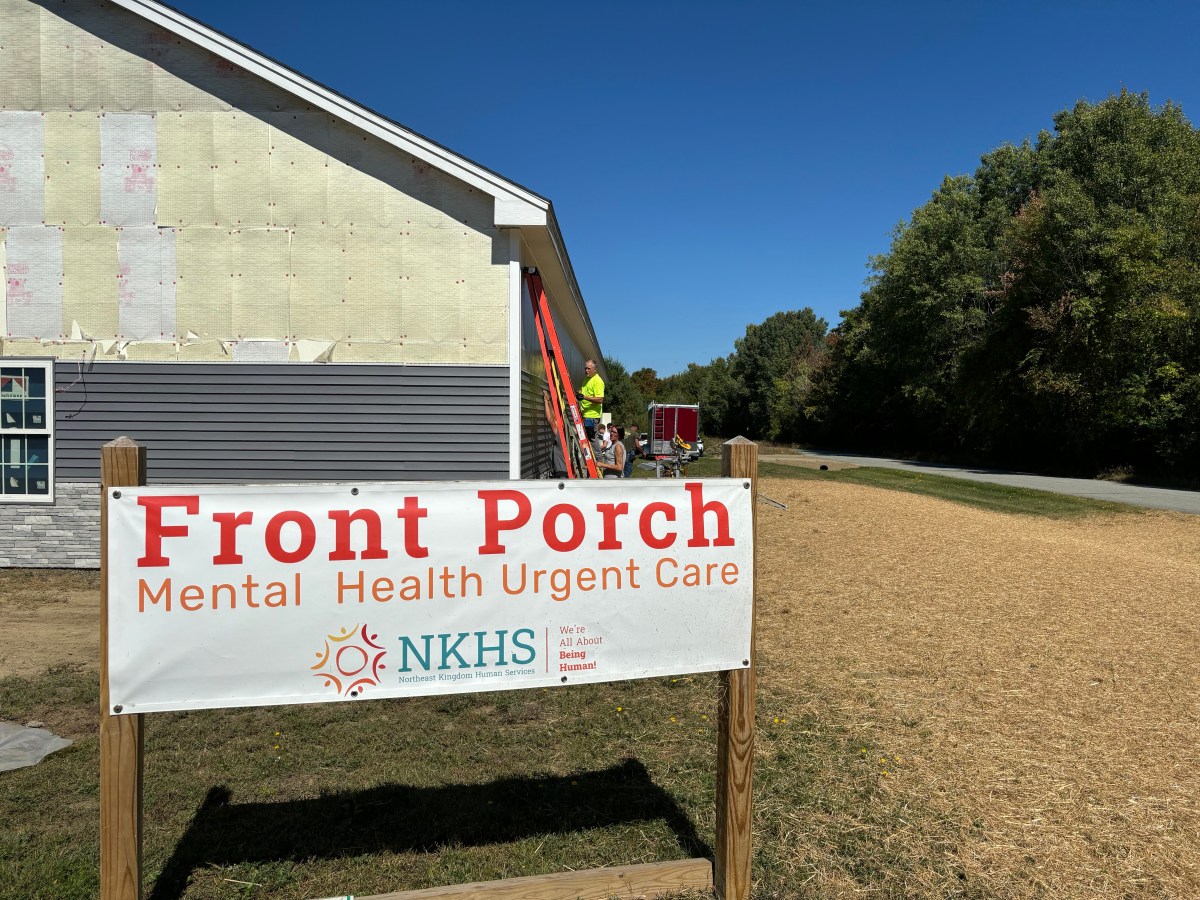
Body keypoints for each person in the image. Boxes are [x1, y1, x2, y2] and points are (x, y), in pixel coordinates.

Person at [541, 389, 569, 479]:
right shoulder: (565, 439)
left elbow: (551, 420)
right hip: (560, 473)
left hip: (562, 475)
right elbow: (554, 419)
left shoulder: (561, 440)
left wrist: (545, 401)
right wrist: (549, 402)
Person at [576, 359, 604, 439]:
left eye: (589, 368)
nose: (586, 370)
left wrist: (584, 397)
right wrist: (579, 393)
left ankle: (597, 452)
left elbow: (600, 399)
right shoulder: (587, 379)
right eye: (585, 368)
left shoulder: (597, 381)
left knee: (592, 439)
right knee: (584, 438)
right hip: (585, 414)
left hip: (592, 416)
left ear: (595, 369)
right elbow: (584, 391)